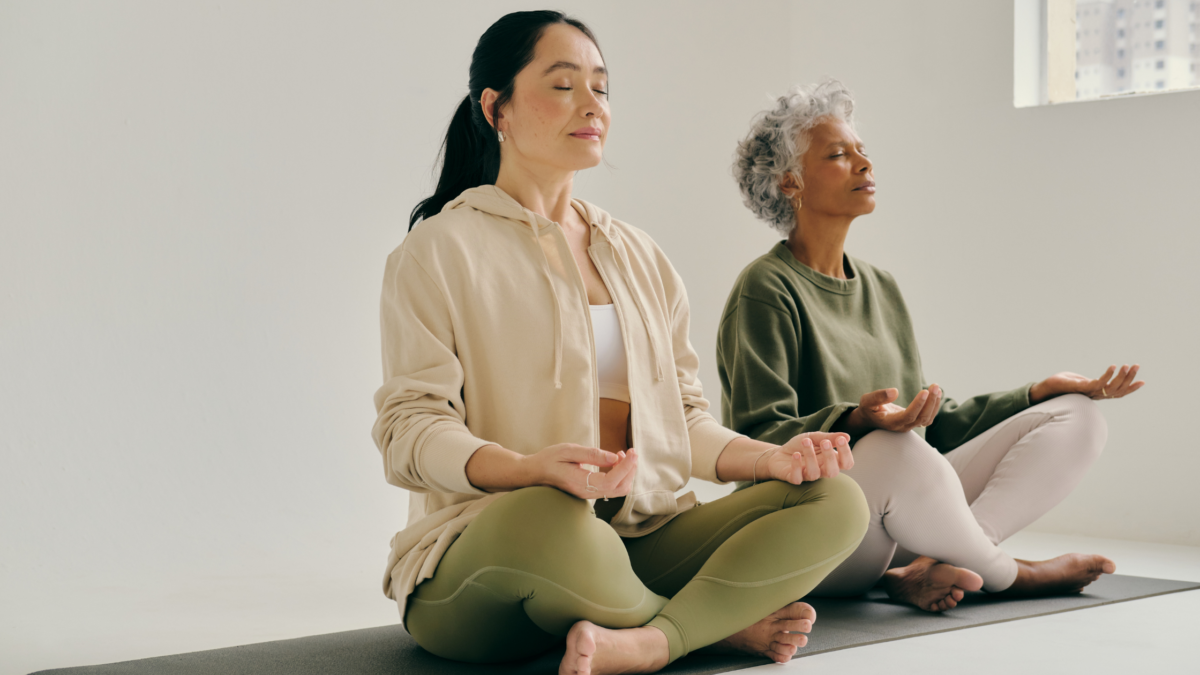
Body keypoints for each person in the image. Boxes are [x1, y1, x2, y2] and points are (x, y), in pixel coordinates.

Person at [373, 14, 869, 674]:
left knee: (836, 499)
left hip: (638, 537)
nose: (591, 105)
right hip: (490, 556)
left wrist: (771, 460)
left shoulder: (639, 255)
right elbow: (411, 430)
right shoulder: (435, 252)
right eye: (563, 84)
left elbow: (684, 422)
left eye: (601, 88)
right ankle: (709, 625)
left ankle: (647, 639)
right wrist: (530, 469)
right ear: (497, 108)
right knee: (555, 520)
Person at [718, 79, 1143, 612]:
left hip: (899, 515)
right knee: (895, 448)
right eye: (838, 155)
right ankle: (1009, 575)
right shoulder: (764, 289)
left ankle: (947, 563)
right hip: (814, 530)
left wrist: (1036, 392)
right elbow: (757, 438)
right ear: (790, 184)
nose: (864, 165)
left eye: (862, 152)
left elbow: (930, 425)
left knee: (1078, 416)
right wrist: (857, 421)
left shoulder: (882, 287)